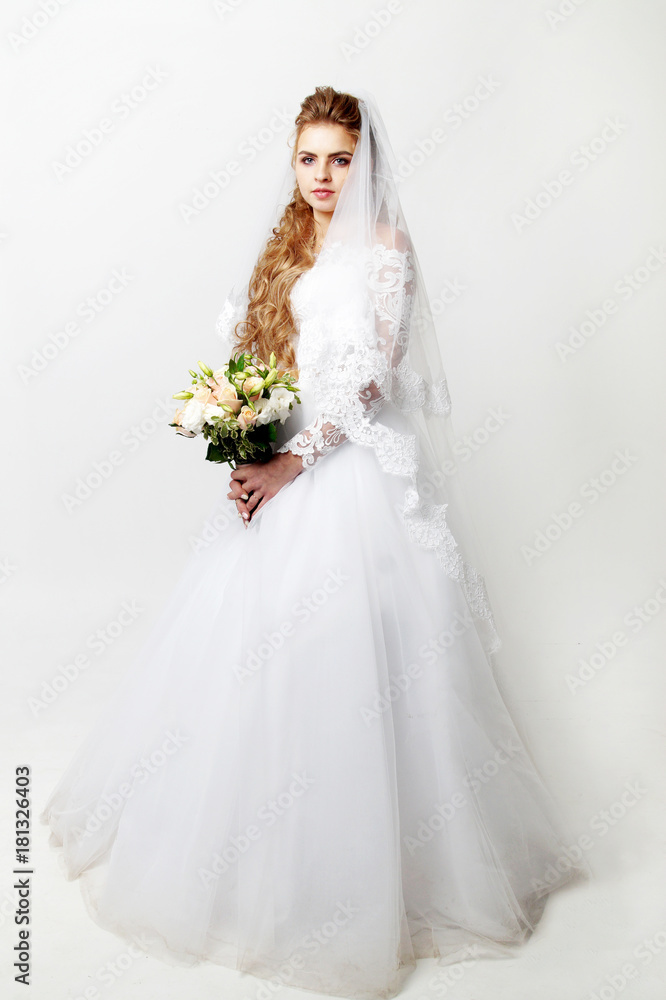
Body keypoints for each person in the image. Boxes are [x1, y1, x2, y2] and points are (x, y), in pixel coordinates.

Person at [42, 86, 587, 1000]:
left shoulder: (386, 247)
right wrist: (246, 439)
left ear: (364, 159)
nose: (324, 176)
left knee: (363, 659)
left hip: (349, 468)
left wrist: (292, 463)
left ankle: (377, 875)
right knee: (251, 649)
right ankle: (251, 858)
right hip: (283, 458)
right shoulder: (289, 242)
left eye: (340, 158)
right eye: (308, 159)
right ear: (292, 162)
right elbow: (267, 361)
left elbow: (372, 375)